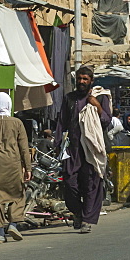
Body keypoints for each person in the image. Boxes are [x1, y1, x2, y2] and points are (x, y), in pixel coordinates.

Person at [55, 66, 112, 233]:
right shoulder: (69, 98)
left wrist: (96, 106)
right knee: (69, 183)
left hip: (91, 148)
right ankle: (78, 213)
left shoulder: (99, 98)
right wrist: (57, 142)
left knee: (90, 185)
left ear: (91, 81)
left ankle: (87, 220)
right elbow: (62, 122)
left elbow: (106, 120)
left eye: (85, 79)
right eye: (79, 78)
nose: (81, 82)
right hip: (73, 149)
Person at [0, 93, 32, 244]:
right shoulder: (17, 123)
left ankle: (0, 234)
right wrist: (27, 168)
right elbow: (24, 148)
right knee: (18, 194)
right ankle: (13, 224)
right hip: (13, 164)